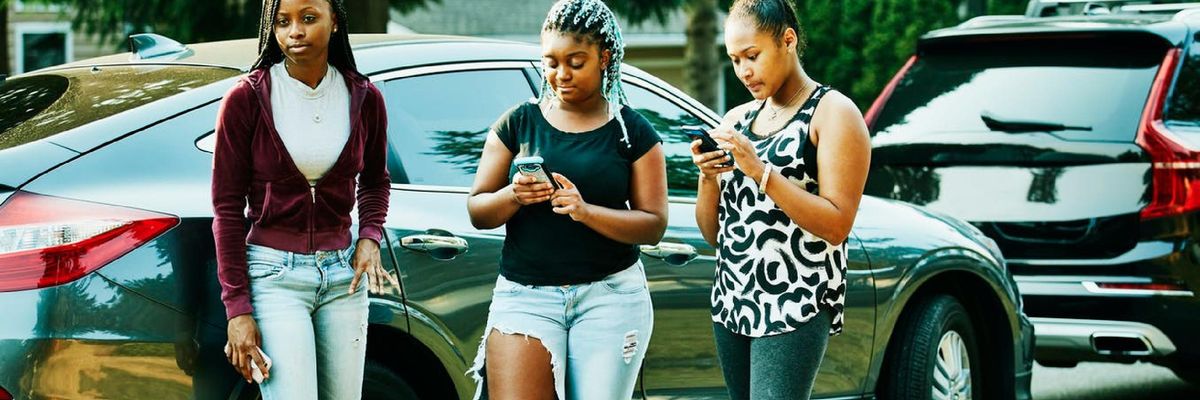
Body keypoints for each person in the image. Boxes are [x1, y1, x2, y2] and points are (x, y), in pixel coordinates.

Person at [464, 0, 669, 398]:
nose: (561, 74)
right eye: (551, 62)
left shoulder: (632, 131)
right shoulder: (518, 122)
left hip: (610, 297)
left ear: (604, 58)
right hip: (525, 296)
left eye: (575, 62)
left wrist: (585, 211)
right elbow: (478, 211)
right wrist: (514, 194)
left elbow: (653, 224)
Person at [210, 0, 398, 398]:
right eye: (283, 22)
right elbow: (226, 209)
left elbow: (375, 181)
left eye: (308, 18)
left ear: (335, 22)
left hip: (344, 277)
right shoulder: (247, 98)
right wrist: (237, 309)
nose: (295, 31)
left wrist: (369, 236)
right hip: (274, 278)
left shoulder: (364, 97)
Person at [691, 0, 871, 399]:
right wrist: (708, 176)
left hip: (796, 299)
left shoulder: (833, 113)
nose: (744, 71)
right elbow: (716, 236)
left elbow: (837, 224)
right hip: (733, 299)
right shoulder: (736, 120)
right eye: (735, 60)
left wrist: (761, 172)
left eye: (752, 56)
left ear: (787, 40)